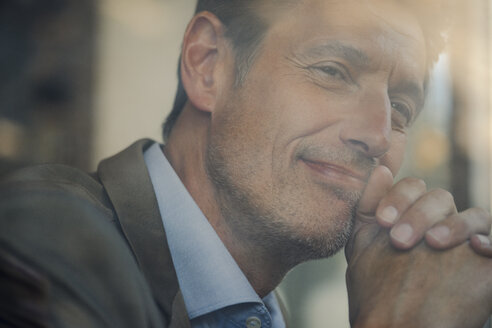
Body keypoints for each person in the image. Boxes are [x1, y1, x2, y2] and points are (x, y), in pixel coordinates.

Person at [1, 0, 492, 327]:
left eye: (402, 110)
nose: (378, 134)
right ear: (208, 63)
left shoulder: (254, 311)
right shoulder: (37, 238)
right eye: (332, 71)